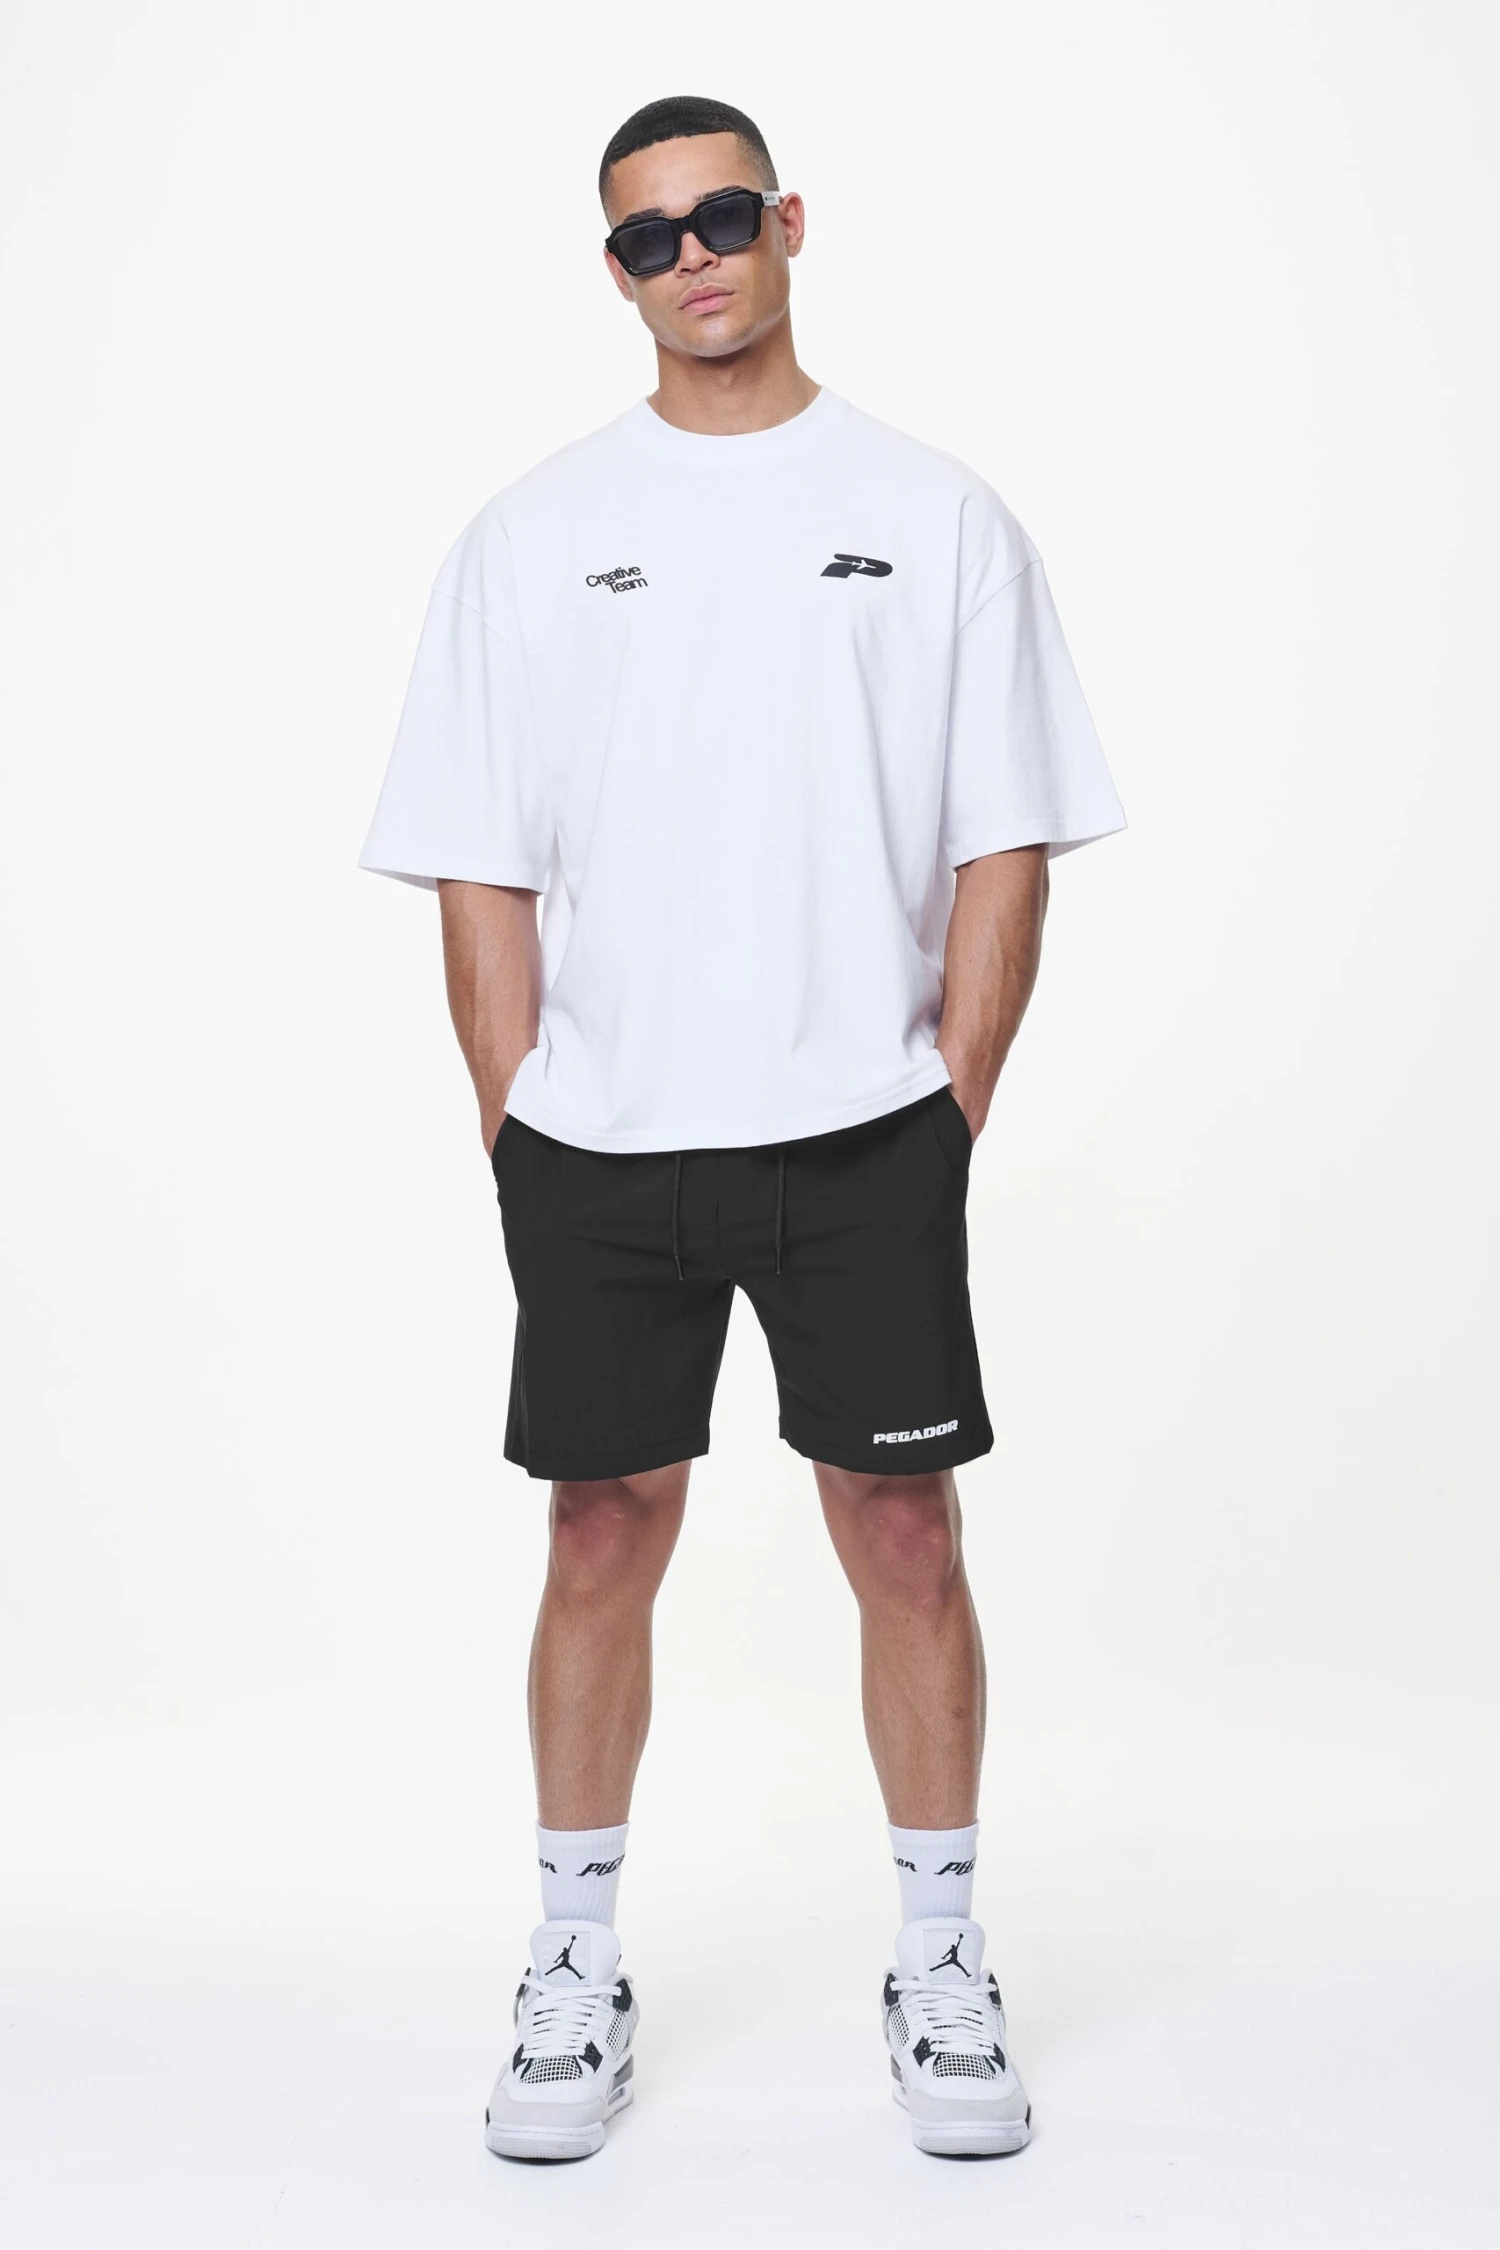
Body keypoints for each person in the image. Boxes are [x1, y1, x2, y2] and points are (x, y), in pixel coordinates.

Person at [359, 93, 1125, 2163]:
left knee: (905, 1530)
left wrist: (945, 1109)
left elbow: (1005, 835)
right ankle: (572, 1962)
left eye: (718, 216)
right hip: (598, 1146)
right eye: (646, 237)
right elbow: (477, 859)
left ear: (788, 222)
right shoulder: (532, 534)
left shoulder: (935, 513)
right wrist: (516, 1122)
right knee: (598, 1531)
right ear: (614, 272)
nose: (689, 256)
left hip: (866, 1127)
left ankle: (943, 1959)